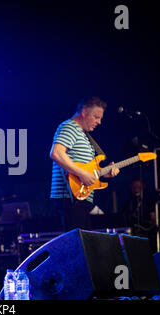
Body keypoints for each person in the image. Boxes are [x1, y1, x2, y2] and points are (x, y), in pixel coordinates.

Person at [49, 96, 120, 231]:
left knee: (83, 244)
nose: (99, 122)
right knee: (77, 246)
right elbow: (56, 153)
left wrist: (105, 174)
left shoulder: (84, 135)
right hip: (70, 196)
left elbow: (87, 171)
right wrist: (82, 173)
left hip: (82, 196)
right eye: (96, 117)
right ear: (84, 112)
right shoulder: (70, 127)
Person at [122, 178, 157, 251]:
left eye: (139, 187)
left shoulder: (148, 201)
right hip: (133, 233)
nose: (136, 189)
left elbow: (153, 218)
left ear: (143, 187)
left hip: (148, 233)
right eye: (134, 187)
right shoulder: (129, 203)